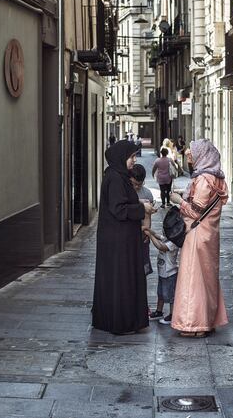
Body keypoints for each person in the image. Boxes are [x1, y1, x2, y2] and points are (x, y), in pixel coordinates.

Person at [92, 140, 156, 335]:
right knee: (121, 279)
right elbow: (119, 209)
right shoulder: (116, 178)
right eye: (132, 157)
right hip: (118, 242)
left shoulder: (117, 175)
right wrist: (142, 208)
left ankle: (120, 319)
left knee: (119, 279)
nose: (134, 160)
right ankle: (122, 322)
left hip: (120, 239)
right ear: (122, 157)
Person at [169, 139, 229, 337]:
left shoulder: (204, 179)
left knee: (193, 278)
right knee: (207, 277)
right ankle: (206, 320)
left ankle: (194, 324)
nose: (189, 156)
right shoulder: (216, 177)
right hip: (209, 235)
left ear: (202, 155)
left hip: (197, 234)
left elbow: (196, 211)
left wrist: (178, 201)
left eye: (192, 153)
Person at [145, 227, 179, 325]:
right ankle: (159, 311)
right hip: (162, 273)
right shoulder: (167, 239)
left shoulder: (173, 243)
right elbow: (157, 235)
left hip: (170, 273)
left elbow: (160, 246)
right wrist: (149, 230)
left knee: (171, 296)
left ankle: (172, 315)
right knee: (160, 293)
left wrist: (150, 236)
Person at [130, 164, 154, 276]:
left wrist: (146, 233)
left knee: (142, 267)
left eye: (139, 185)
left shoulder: (147, 193)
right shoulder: (125, 192)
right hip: (129, 232)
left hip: (142, 234)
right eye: (134, 184)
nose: (136, 187)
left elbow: (147, 216)